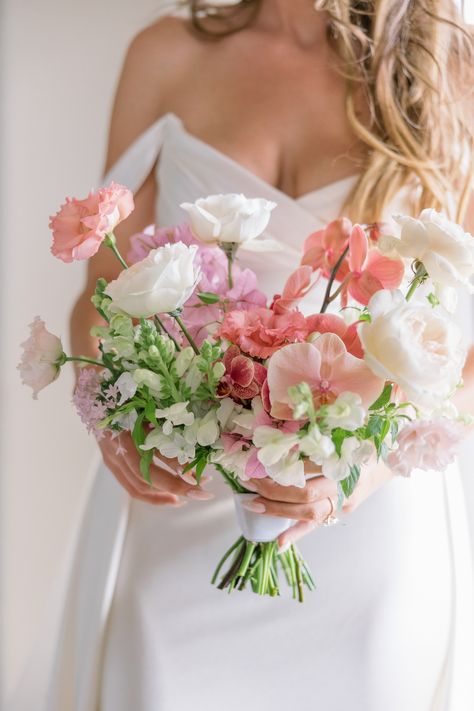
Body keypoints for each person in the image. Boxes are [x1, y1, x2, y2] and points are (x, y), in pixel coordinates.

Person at [31, 2, 474, 710]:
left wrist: (363, 472)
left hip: (364, 527)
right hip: (178, 504)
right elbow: (99, 296)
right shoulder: (165, 55)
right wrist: (111, 411)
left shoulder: (452, 78)